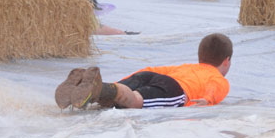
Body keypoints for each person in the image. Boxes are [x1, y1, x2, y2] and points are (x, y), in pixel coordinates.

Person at [55, 32, 232, 109]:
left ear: (200, 56)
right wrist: (207, 100)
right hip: (175, 89)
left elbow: (151, 70)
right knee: (134, 100)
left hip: (150, 76)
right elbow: (215, 88)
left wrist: (127, 80)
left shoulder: (185, 67)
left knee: (114, 96)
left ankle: (92, 88)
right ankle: (101, 89)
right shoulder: (218, 78)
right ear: (226, 61)